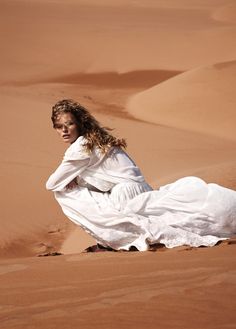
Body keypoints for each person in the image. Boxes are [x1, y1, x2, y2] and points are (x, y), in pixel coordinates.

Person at [46, 99, 236, 252]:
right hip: (139, 190)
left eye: (69, 124)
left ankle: (112, 240)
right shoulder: (96, 139)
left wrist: (73, 181)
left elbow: (51, 184)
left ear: (79, 123)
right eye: (58, 126)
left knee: (63, 192)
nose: (64, 130)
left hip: (124, 196)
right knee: (178, 218)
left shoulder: (80, 148)